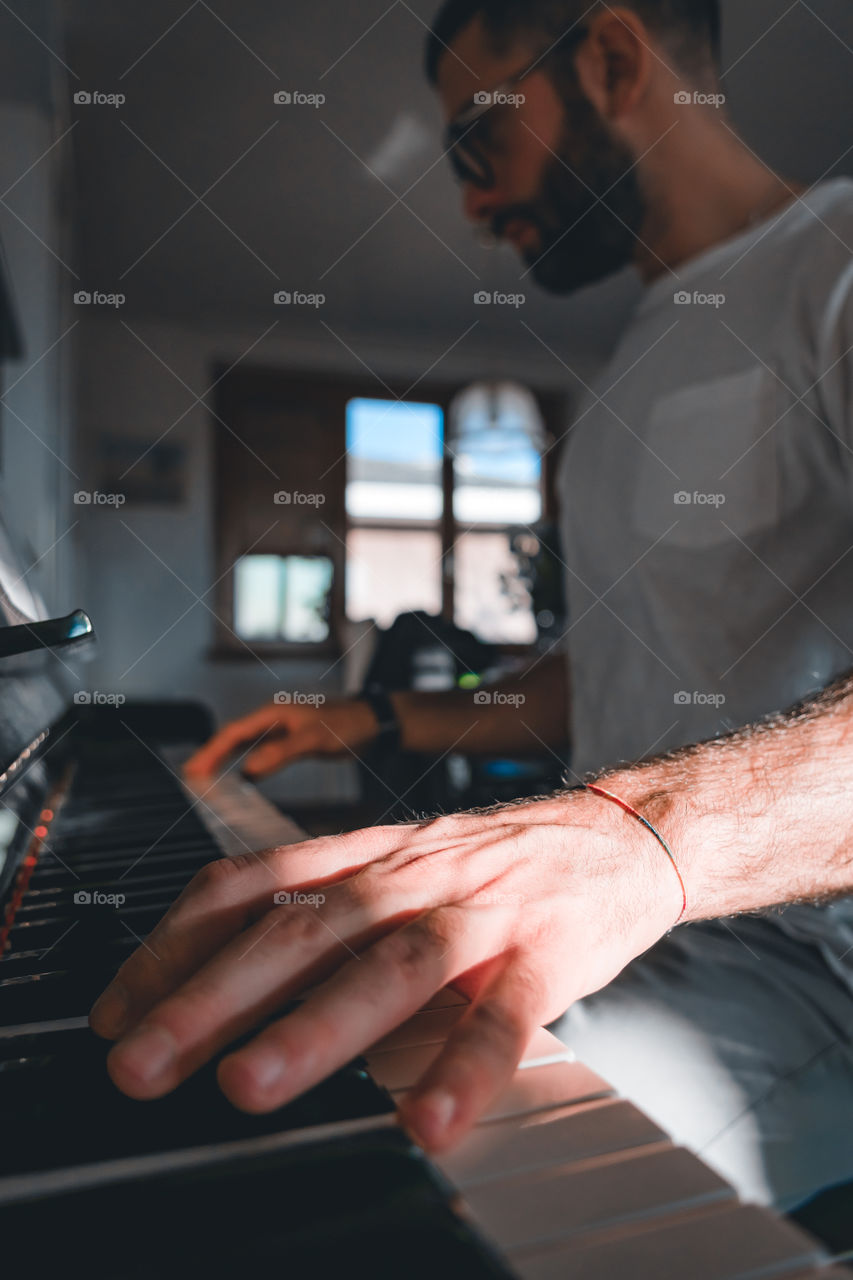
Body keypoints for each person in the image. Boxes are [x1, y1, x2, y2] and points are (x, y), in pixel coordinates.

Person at [90, 0, 853, 1210]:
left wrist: (637, 833)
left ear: (608, 58)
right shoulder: (621, 379)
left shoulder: (837, 258)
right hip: (629, 914)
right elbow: (606, 667)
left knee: (400, 1176)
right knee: (281, 1049)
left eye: (476, 146)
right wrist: (370, 724)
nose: (469, 204)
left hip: (800, 958)